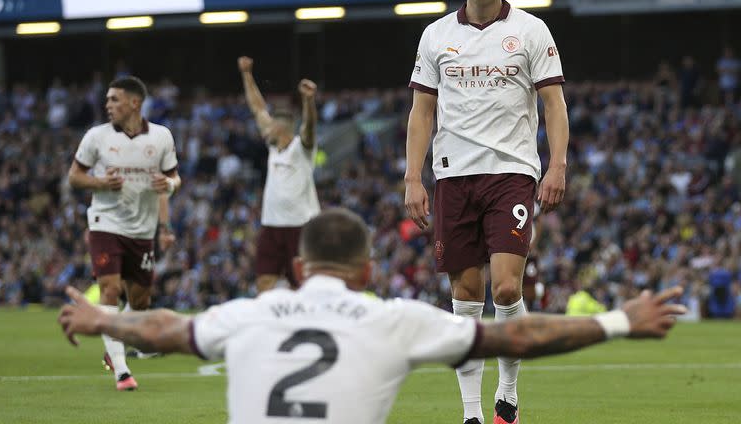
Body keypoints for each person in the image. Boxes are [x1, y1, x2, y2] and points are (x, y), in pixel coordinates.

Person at [59, 208, 686, 424]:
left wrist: (102, 321)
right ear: (367, 271)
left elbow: (165, 327)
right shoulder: (394, 318)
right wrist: (619, 321)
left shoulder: (250, 312)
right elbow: (517, 329)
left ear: (299, 268)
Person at [404, 0, 569, 424]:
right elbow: (422, 112)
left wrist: (557, 163)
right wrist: (414, 176)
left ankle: (509, 393)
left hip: (512, 172)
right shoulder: (436, 36)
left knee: (504, 288)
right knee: (466, 295)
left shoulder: (531, 31)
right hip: (453, 175)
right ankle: (471, 414)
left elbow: (554, 104)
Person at [68, 75, 180, 390]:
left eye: (114, 99)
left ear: (134, 103)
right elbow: (74, 177)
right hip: (105, 222)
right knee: (109, 289)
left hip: (142, 229)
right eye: (107, 100)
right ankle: (122, 371)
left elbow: (174, 178)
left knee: (140, 301)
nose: (108, 105)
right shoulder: (96, 137)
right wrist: (100, 183)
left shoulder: (161, 137)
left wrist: (169, 186)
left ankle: (112, 342)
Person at [237, 56, 320, 292]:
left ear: (281, 129)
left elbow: (310, 127)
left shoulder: (301, 149)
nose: (266, 129)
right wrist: (246, 74)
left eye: (271, 126)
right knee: (264, 281)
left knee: (301, 285)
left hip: (299, 226)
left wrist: (308, 101)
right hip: (272, 226)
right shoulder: (274, 149)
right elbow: (257, 108)